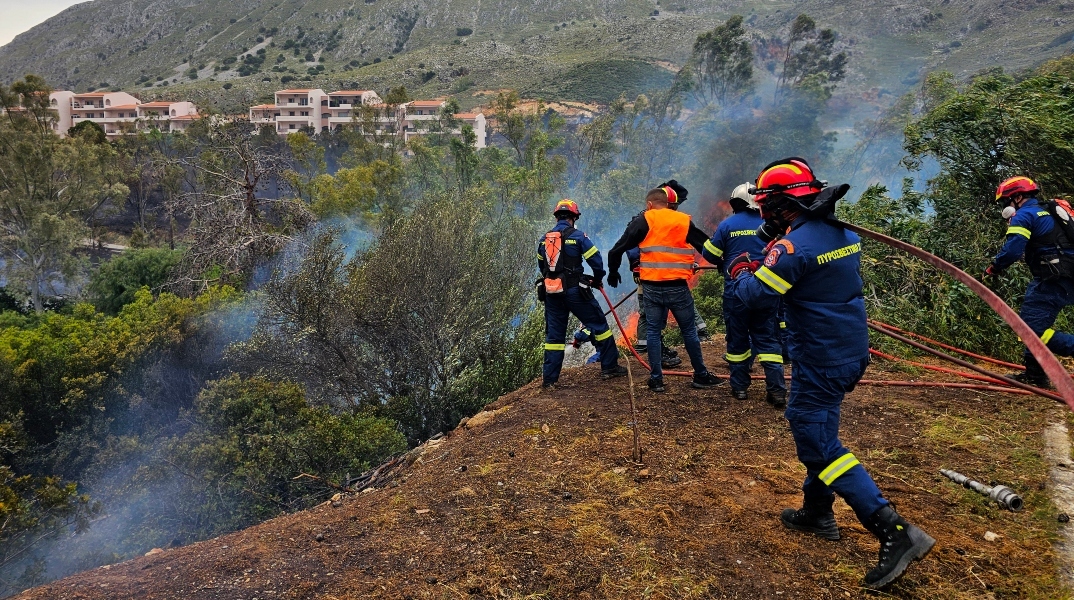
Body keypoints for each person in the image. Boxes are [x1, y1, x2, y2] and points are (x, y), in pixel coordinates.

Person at [728, 157, 934, 589]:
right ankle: (817, 510)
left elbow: (755, 300)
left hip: (820, 358)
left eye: (766, 205)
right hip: (848, 352)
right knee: (822, 426)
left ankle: (894, 530)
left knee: (815, 438)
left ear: (783, 206)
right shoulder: (842, 233)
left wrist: (743, 269)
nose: (762, 213)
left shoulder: (791, 249)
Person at [607, 185, 723, 392]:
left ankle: (657, 379)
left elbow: (617, 249)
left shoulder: (644, 219)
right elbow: (705, 245)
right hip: (678, 286)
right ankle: (700, 375)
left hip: (651, 287)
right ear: (670, 204)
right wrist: (722, 262)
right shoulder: (682, 220)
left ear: (650, 204)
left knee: (653, 331)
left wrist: (613, 272)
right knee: (689, 330)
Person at [701, 183, 786, 408]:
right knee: (768, 339)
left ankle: (739, 388)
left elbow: (709, 254)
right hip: (767, 289)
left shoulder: (727, 225)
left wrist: (725, 260)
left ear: (736, 203)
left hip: (736, 292)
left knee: (737, 339)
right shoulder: (771, 225)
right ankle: (777, 390)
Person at [985, 176, 1074, 387]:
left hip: (1052, 279)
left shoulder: (1024, 215)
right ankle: (1035, 376)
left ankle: (1036, 376)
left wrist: (994, 268)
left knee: (1030, 329)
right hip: (1067, 276)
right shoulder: (1048, 211)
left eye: (1007, 201)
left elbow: (1013, 251)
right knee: (1032, 325)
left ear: (1017, 197)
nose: (1006, 207)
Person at [538, 199, 627, 388]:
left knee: (554, 338)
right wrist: (597, 278)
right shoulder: (578, 236)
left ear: (557, 217)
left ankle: (549, 380)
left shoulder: (544, 239)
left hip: (552, 293)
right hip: (575, 292)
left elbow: (542, 266)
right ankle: (609, 368)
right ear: (573, 217)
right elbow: (595, 259)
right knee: (599, 325)